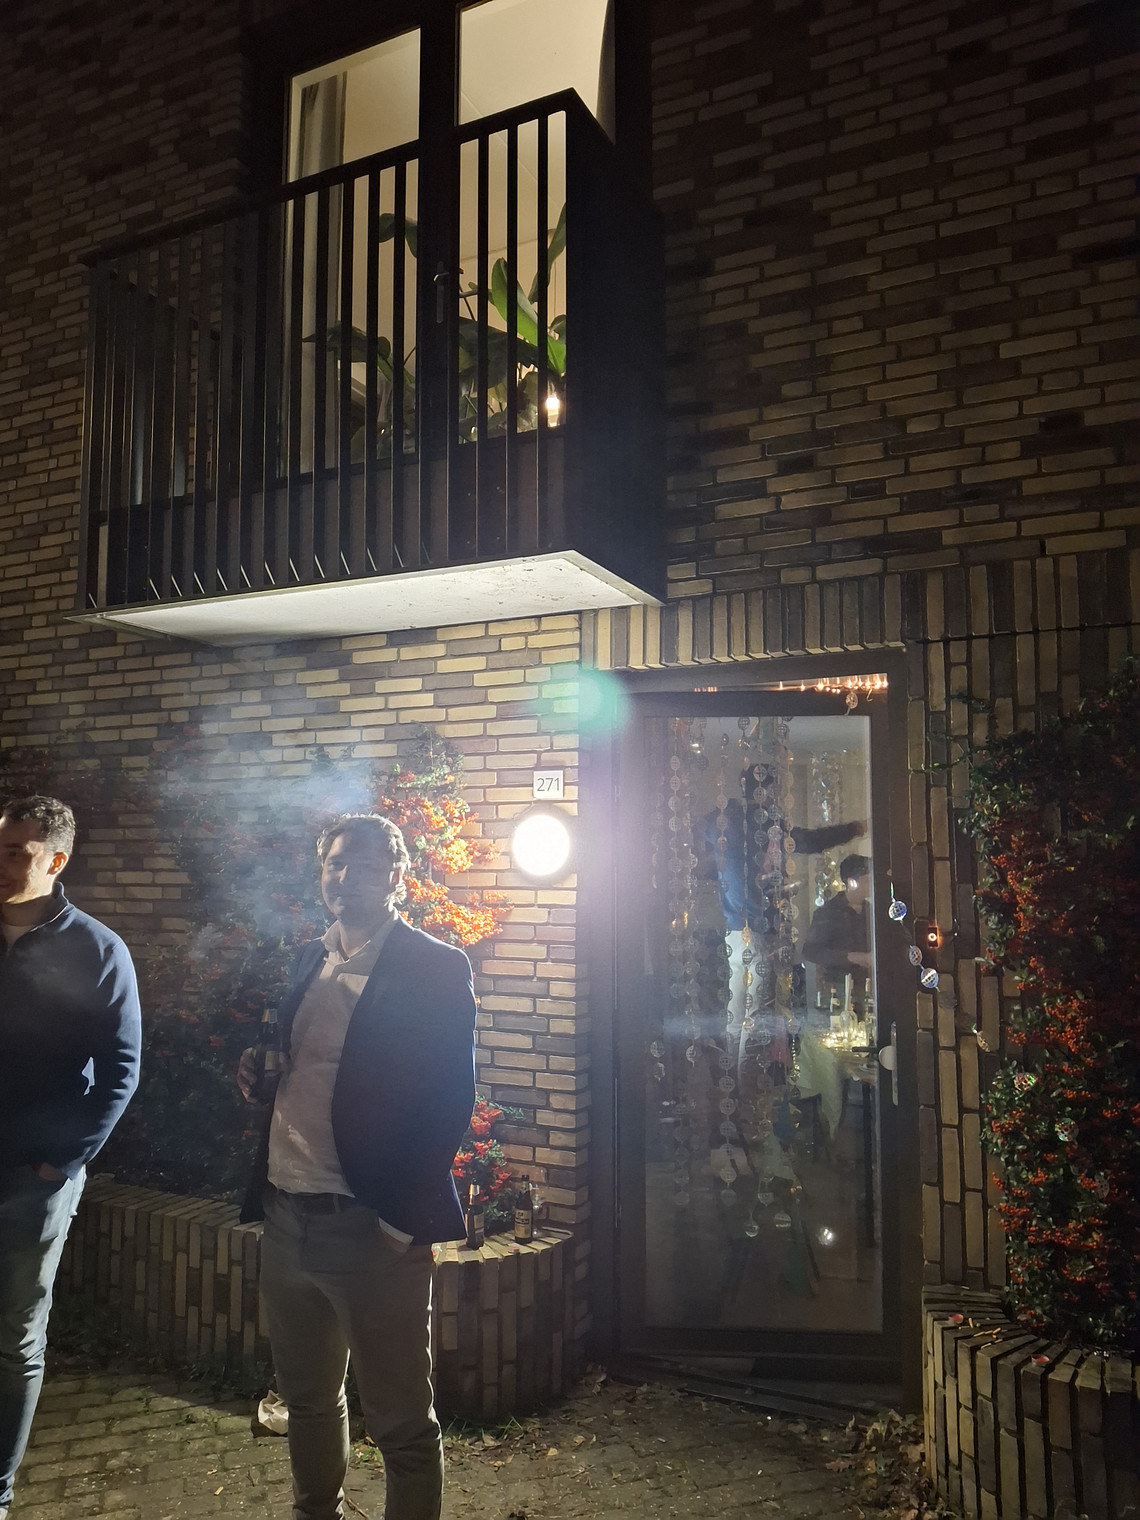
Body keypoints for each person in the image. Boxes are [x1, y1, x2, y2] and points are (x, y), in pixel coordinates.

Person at [239, 812, 477, 1520]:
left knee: (400, 1422)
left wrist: (402, 1225)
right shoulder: (307, 959)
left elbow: (448, 1101)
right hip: (287, 1212)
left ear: (397, 876)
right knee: (308, 1401)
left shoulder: (434, 966)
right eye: (336, 863)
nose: (346, 877)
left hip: (369, 1225)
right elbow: (300, 1065)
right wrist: (255, 1072)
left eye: (366, 865)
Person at [0, 795, 141, 1520]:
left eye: (16, 852)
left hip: (33, 1178)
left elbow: (120, 1070)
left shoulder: (96, 949)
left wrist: (60, 1163)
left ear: (56, 860)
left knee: (13, 1337)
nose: (1, 863)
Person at [801, 852, 873, 996]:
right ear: (851, 882)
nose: (871, 884)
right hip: (838, 991)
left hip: (870, 988)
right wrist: (850, 957)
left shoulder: (872, 912)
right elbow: (810, 952)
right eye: (866, 879)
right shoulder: (828, 912)